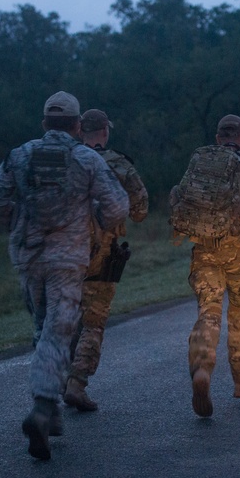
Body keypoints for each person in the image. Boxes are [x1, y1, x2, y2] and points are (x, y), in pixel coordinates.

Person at [0, 91, 128, 460]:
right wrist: (94, 219)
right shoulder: (86, 158)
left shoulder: (20, 155)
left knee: (44, 327)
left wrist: (18, 223)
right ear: (77, 126)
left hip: (29, 256)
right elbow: (117, 206)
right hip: (67, 258)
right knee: (59, 329)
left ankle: (53, 410)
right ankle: (44, 406)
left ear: (45, 123)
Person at [170, 114, 240, 417]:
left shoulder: (201, 162)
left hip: (205, 249)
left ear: (218, 138)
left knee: (209, 310)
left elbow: (183, 197)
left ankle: (202, 369)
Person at [64, 109, 149, 412]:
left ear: (79, 131)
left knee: (65, 319)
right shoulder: (118, 163)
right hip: (100, 255)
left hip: (62, 252)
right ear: (105, 132)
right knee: (93, 322)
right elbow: (140, 211)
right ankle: (76, 383)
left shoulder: (64, 160)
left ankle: (58, 381)